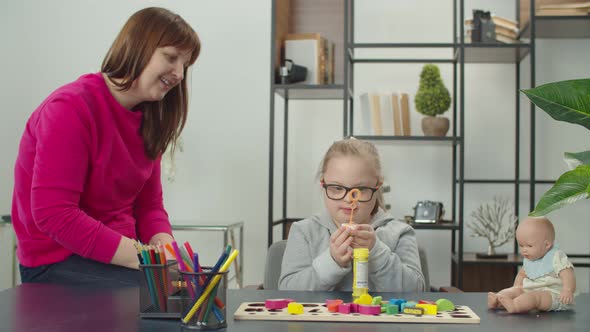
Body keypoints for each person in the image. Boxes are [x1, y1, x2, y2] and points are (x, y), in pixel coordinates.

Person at [12, 7, 201, 286]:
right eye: (171, 58)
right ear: (139, 48)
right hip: (56, 260)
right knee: (162, 296)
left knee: (188, 288)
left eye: (185, 64)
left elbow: (149, 206)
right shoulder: (70, 109)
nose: (179, 74)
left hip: (115, 258)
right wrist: (145, 258)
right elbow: (55, 215)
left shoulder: (150, 119)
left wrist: (165, 247)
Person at [279, 138, 425, 291]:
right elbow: (288, 291)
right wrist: (332, 261)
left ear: (377, 186)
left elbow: (415, 291)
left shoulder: (400, 233)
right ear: (323, 184)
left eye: (360, 189)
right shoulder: (304, 231)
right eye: (336, 188)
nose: (349, 199)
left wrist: (376, 252)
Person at [488, 216, 577, 313]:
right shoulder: (529, 258)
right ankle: (498, 300)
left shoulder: (556, 256)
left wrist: (567, 290)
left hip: (554, 296)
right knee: (514, 291)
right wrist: (516, 288)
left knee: (535, 297)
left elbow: (567, 273)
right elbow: (522, 274)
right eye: (521, 245)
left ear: (546, 245)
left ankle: (515, 306)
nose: (523, 250)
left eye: (529, 245)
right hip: (531, 290)